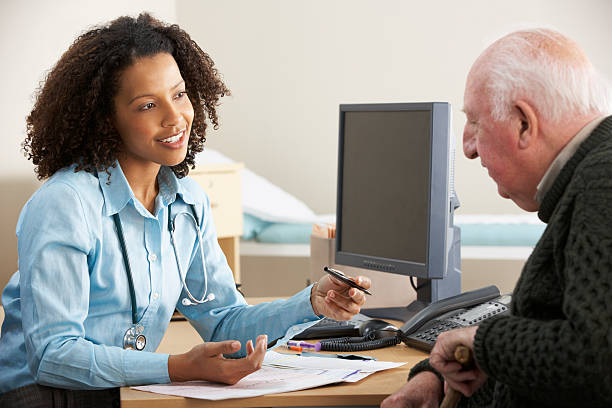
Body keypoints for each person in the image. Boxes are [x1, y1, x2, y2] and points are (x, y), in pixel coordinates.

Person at [0, 13, 371, 406]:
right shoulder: (65, 204)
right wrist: (178, 367)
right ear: (106, 119)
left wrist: (312, 301)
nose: (175, 117)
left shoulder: (186, 203)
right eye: (147, 105)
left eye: (178, 94)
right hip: (41, 396)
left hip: (124, 391)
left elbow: (225, 321)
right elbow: (53, 357)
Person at [382, 28, 612, 407]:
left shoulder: (602, 183)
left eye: (475, 122)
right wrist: (438, 380)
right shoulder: (590, 179)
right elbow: (545, 353)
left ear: (524, 123)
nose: (468, 148)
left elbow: (596, 359)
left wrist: (482, 342)